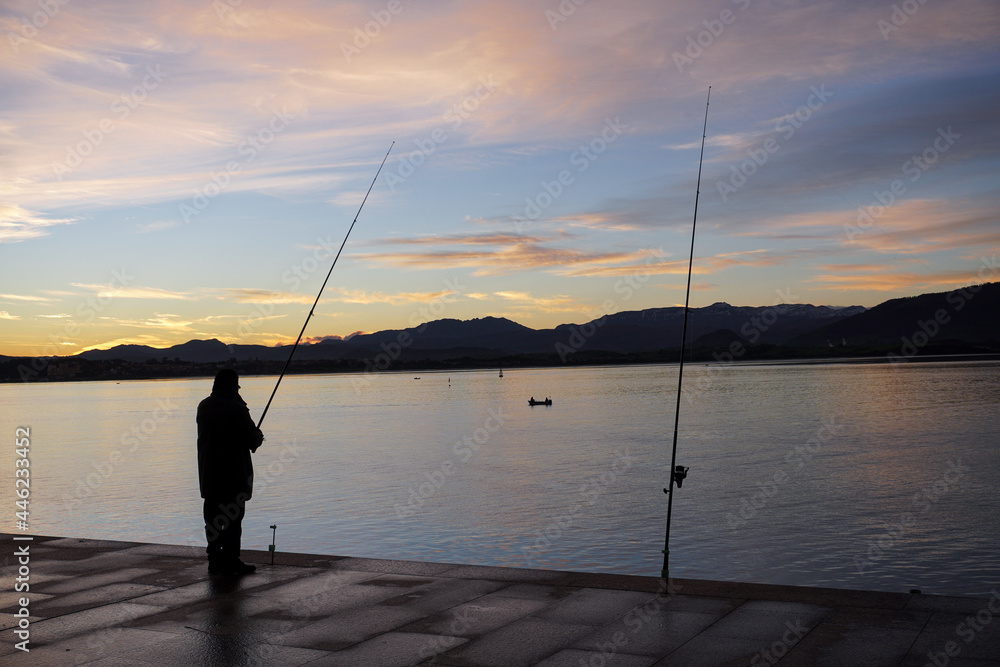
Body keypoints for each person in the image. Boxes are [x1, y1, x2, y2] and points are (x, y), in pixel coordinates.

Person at [197, 369, 264, 575]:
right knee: (233, 518)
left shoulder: (204, 406)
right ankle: (231, 560)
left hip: (209, 474)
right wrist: (258, 436)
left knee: (213, 519)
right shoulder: (236, 407)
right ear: (233, 386)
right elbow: (251, 438)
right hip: (233, 475)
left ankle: (214, 560)